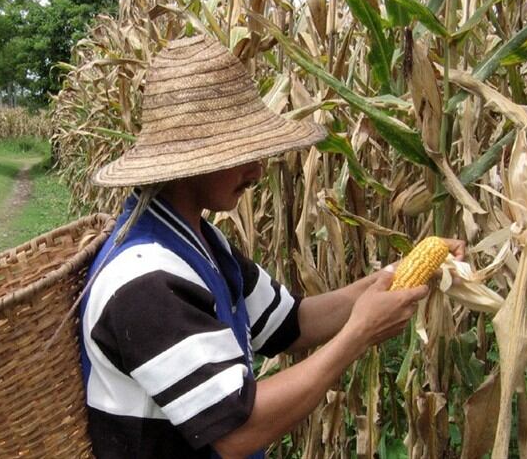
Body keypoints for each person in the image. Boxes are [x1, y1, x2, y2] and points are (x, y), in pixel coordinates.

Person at [79, 34, 465, 458]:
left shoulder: (201, 242)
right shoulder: (146, 279)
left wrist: (399, 275)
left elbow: (290, 323)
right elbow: (236, 430)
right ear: (191, 162)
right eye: (243, 155)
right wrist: (359, 334)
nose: (258, 171)